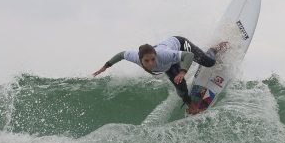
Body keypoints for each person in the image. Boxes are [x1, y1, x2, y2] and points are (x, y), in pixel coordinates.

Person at [92, 36, 226, 114]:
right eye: (146, 61)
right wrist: (105, 66)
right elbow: (121, 55)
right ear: (140, 60)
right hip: (169, 63)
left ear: (156, 56)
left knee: (209, 63)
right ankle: (190, 104)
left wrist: (182, 72)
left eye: (152, 59)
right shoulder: (134, 57)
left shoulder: (163, 55)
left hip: (179, 44)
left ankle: (214, 49)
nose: (150, 63)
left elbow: (189, 55)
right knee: (180, 86)